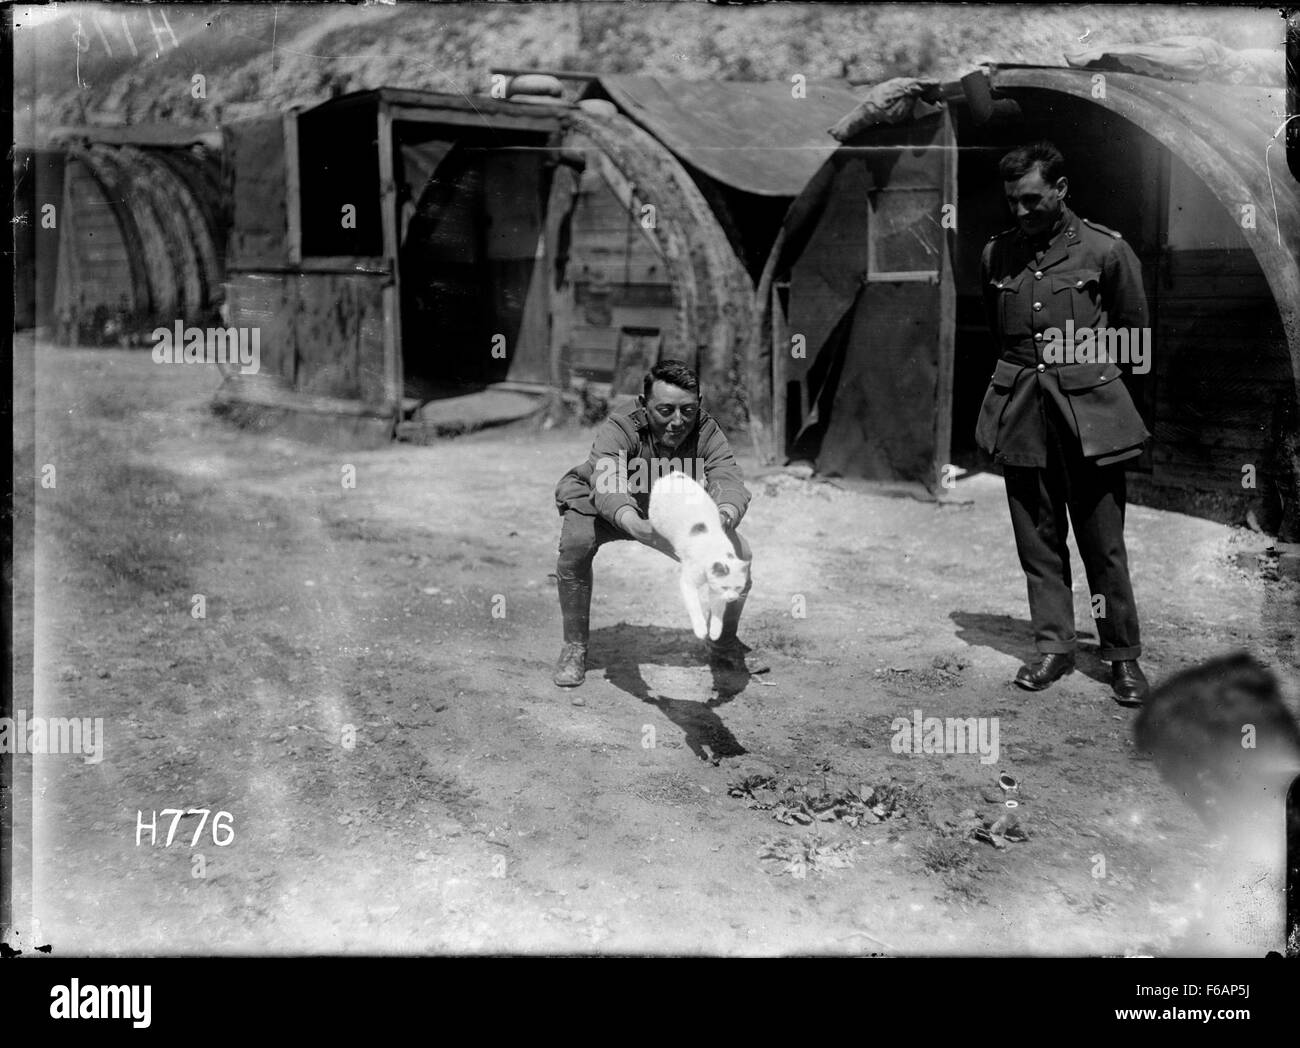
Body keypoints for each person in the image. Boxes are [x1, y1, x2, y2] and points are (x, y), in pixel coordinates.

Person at [976, 141, 1152, 704]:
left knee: (1103, 544)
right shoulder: (995, 256)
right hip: (1024, 415)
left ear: (1061, 190)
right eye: (1013, 203)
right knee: (1039, 541)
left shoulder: (1106, 250)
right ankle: (1054, 646)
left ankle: (1121, 657)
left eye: (1032, 200)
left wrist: (1114, 411)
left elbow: (1135, 340)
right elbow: (1000, 335)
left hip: (1092, 418)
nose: (1022, 212)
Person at [552, 360, 753, 688]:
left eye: (687, 410)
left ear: (698, 404)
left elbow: (728, 479)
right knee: (575, 547)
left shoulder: (705, 430)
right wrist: (634, 524)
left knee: (738, 554)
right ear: (645, 406)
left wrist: (722, 516)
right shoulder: (621, 426)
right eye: (666, 410)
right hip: (607, 509)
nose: (678, 421)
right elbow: (607, 484)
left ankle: (724, 643)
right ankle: (575, 645)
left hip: (671, 515)